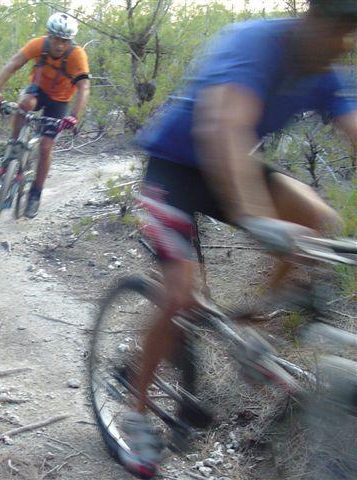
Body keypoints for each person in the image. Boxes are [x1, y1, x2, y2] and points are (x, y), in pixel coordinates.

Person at [124, 1, 357, 478]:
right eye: (339, 31)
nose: (344, 45)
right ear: (313, 19)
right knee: (180, 292)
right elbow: (223, 127)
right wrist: (254, 216)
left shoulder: (324, 68)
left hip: (229, 170)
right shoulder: (254, 43)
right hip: (174, 168)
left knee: (317, 218)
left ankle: (257, 327)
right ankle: (136, 412)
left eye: (350, 35)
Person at [0, 12, 91, 218]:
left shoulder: (77, 55)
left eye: (64, 40)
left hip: (60, 100)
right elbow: (13, 64)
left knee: (46, 145)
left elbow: (84, 88)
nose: (59, 45)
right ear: (48, 35)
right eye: (55, 39)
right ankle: (14, 144)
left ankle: (35, 193)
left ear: (70, 41)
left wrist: (74, 116)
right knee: (24, 104)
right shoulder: (38, 44)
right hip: (37, 90)